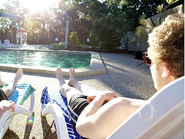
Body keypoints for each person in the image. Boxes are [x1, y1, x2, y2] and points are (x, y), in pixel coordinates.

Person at [56, 14, 184, 138]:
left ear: (165, 69)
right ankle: (77, 84)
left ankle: (64, 84)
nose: (150, 66)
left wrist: (99, 99)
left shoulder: (122, 107)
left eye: (150, 60)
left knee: (73, 93)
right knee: (94, 92)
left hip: (90, 117)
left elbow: (81, 127)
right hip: (110, 116)